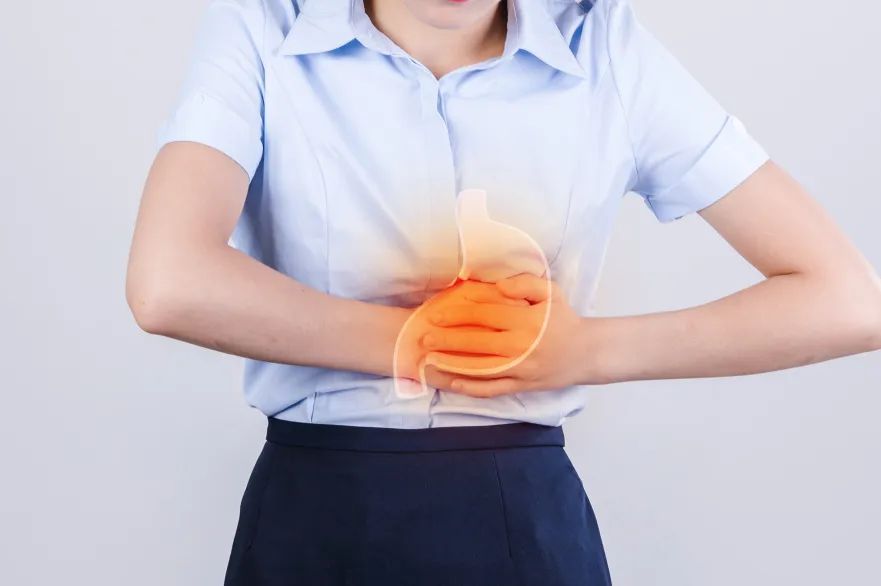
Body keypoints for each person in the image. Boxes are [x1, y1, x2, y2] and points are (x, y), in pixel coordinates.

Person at [125, 0, 881, 584]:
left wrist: (582, 351)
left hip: (521, 519)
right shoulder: (264, 25)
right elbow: (168, 282)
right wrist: (417, 341)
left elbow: (849, 301)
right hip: (313, 512)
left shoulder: (604, 47)